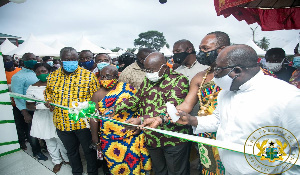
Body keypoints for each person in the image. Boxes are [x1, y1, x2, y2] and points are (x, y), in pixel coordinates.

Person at [167, 44, 300, 174]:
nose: (214, 75)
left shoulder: (286, 97)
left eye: (218, 70)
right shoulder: (226, 92)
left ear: (236, 70)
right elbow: (219, 120)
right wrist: (192, 120)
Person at [108, 52, 191, 175]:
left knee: (176, 172)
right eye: (146, 70)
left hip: (173, 138)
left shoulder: (179, 80)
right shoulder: (148, 79)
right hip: (152, 137)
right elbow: (137, 98)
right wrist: (115, 108)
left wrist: (141, 119)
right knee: (159, 171)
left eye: (152, 70)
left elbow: (171, 107)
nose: (149, 73)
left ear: (164, 67)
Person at [45, 47, 99, 175]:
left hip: (83, 122)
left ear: (77, 60)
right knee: (71, 151)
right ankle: (77, 172)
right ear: (61, 60)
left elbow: (95, 99)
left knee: (89, 151)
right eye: (67, 59)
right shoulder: (52, 76)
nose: (71, 62)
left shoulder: (88, 76)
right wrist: (49, 101)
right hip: (61, 122)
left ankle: (93, 172)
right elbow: (48, 93)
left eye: (74, 59)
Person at [90, 65, 151, 175]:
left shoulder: (128, 89)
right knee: (115, 167)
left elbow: (140, 107)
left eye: (108, 76)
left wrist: (139, 127)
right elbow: (94, 118)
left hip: (130, 135)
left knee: (134, 164)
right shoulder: (97, 95)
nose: (104, 79)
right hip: (109, 138)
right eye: (102, 77)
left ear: (116, 76)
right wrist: (95, 138)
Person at [26, 63, 68, 173]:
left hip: (57, 116)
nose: (41, 74)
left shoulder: (57, 84)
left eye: (43, 71)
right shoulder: (32, 88)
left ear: (49, 72)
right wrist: (41, 106)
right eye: (38, 72)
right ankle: (56, 161)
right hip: (42, 117)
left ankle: (66, 158)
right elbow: (29, 105)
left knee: (62, 140)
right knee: (49, 141)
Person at [11, 53, 48, 160]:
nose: (32, 60)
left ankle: (46, 147)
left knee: (45, 128)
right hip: (30, 109)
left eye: (33, 58)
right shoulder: (18, 76)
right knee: (32, 132)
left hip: (44, 108)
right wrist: (25, 112)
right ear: (23, 60)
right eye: (29, 59)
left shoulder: (37, 72)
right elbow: (17, 96)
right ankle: (36, 151)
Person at [4, 55, 25, 149]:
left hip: (23, 102)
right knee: (18, 123)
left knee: (26, 123)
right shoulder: (2, 74)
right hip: (12, 104)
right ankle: (21, 142)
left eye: (8, 60)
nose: (6, 62)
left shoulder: (20, 71)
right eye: (4, 60)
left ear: (12, 61)